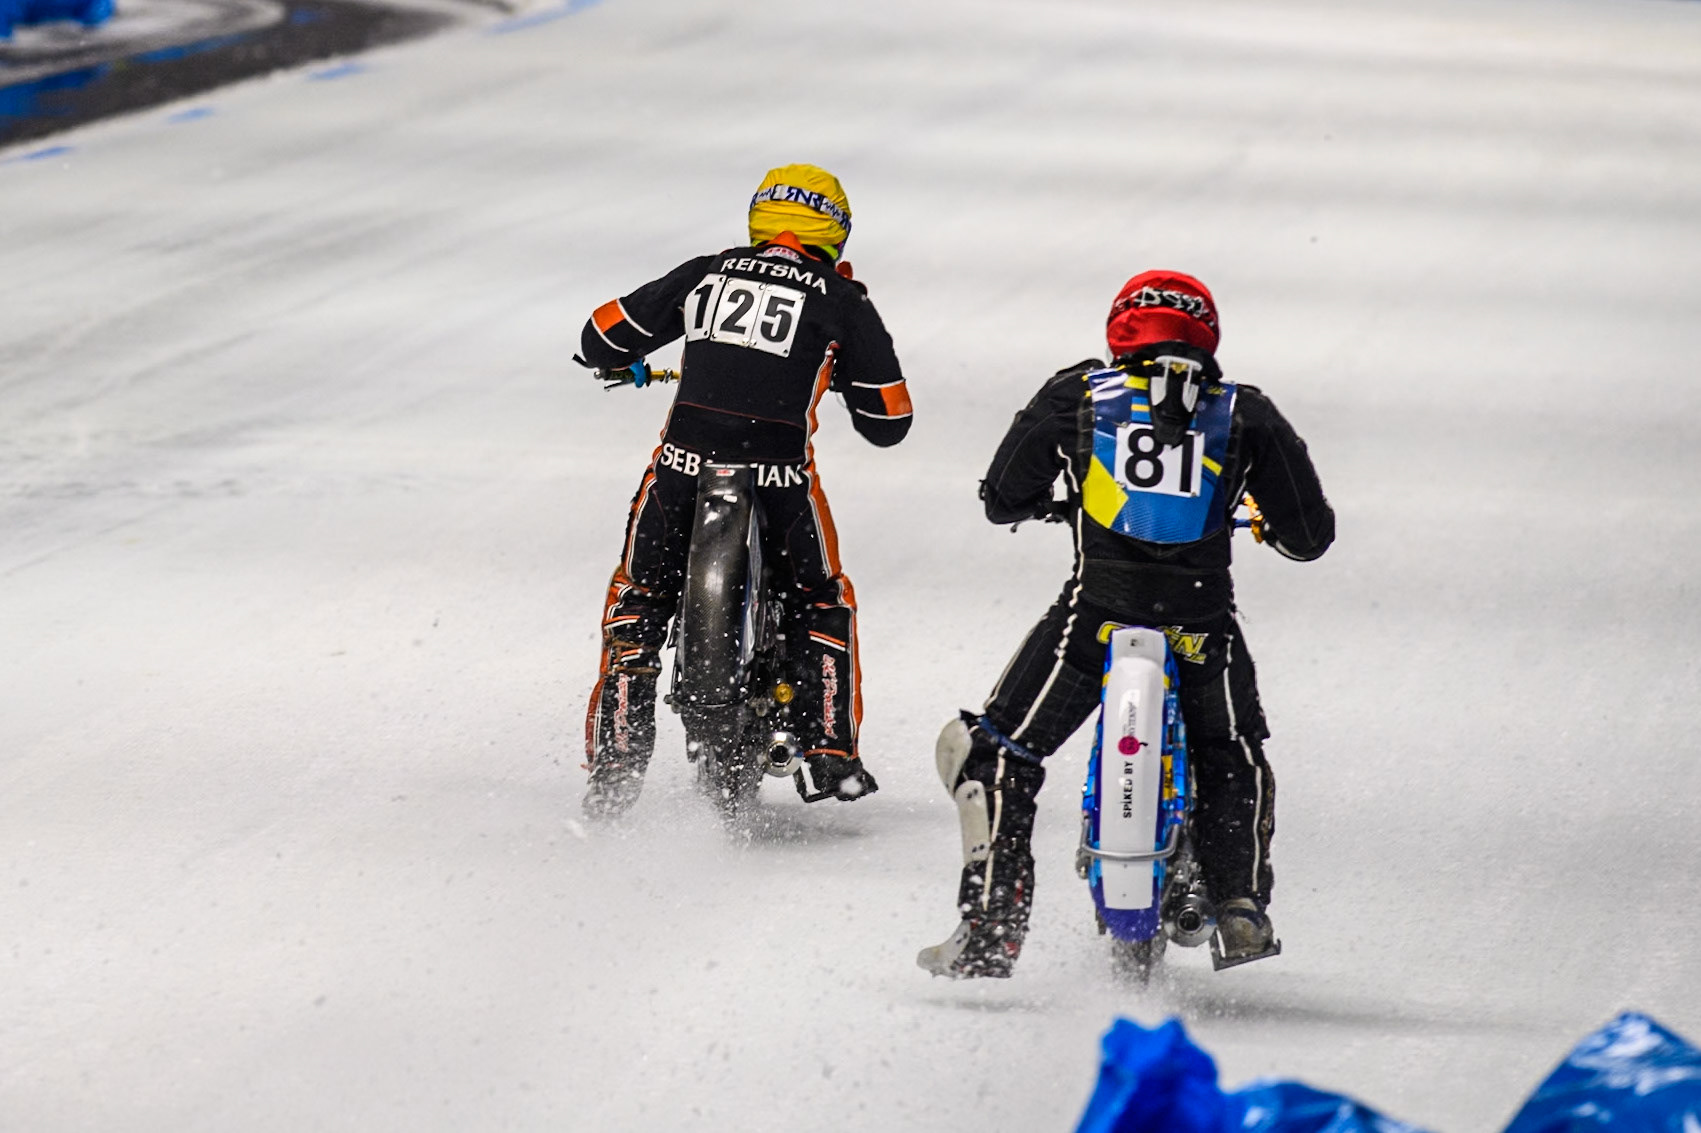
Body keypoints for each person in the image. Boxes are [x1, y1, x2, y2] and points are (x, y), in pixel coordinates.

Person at [917, 270, 1334, 978]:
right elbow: (1308, 536)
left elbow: (1002, 496)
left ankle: (990, 924)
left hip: (1095, 623)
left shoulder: (1075, 395)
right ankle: (1239, 904)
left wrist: (1055, 497)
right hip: (1202, 629)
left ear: (1119, 331)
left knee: (994, 752)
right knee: (1231, 751)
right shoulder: (1246, 413)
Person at [576, 164, 912, 818]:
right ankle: (829, 753)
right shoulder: (840, 299)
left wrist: (620, 357)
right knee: (820, 598)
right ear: (835, 233)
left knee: (636, 599)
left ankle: (614, 765)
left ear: (759, 219)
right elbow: (889, 422)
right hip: (778, 474)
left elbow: (600, 336)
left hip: (681, 465)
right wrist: (839, 372)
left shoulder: (709, 271)